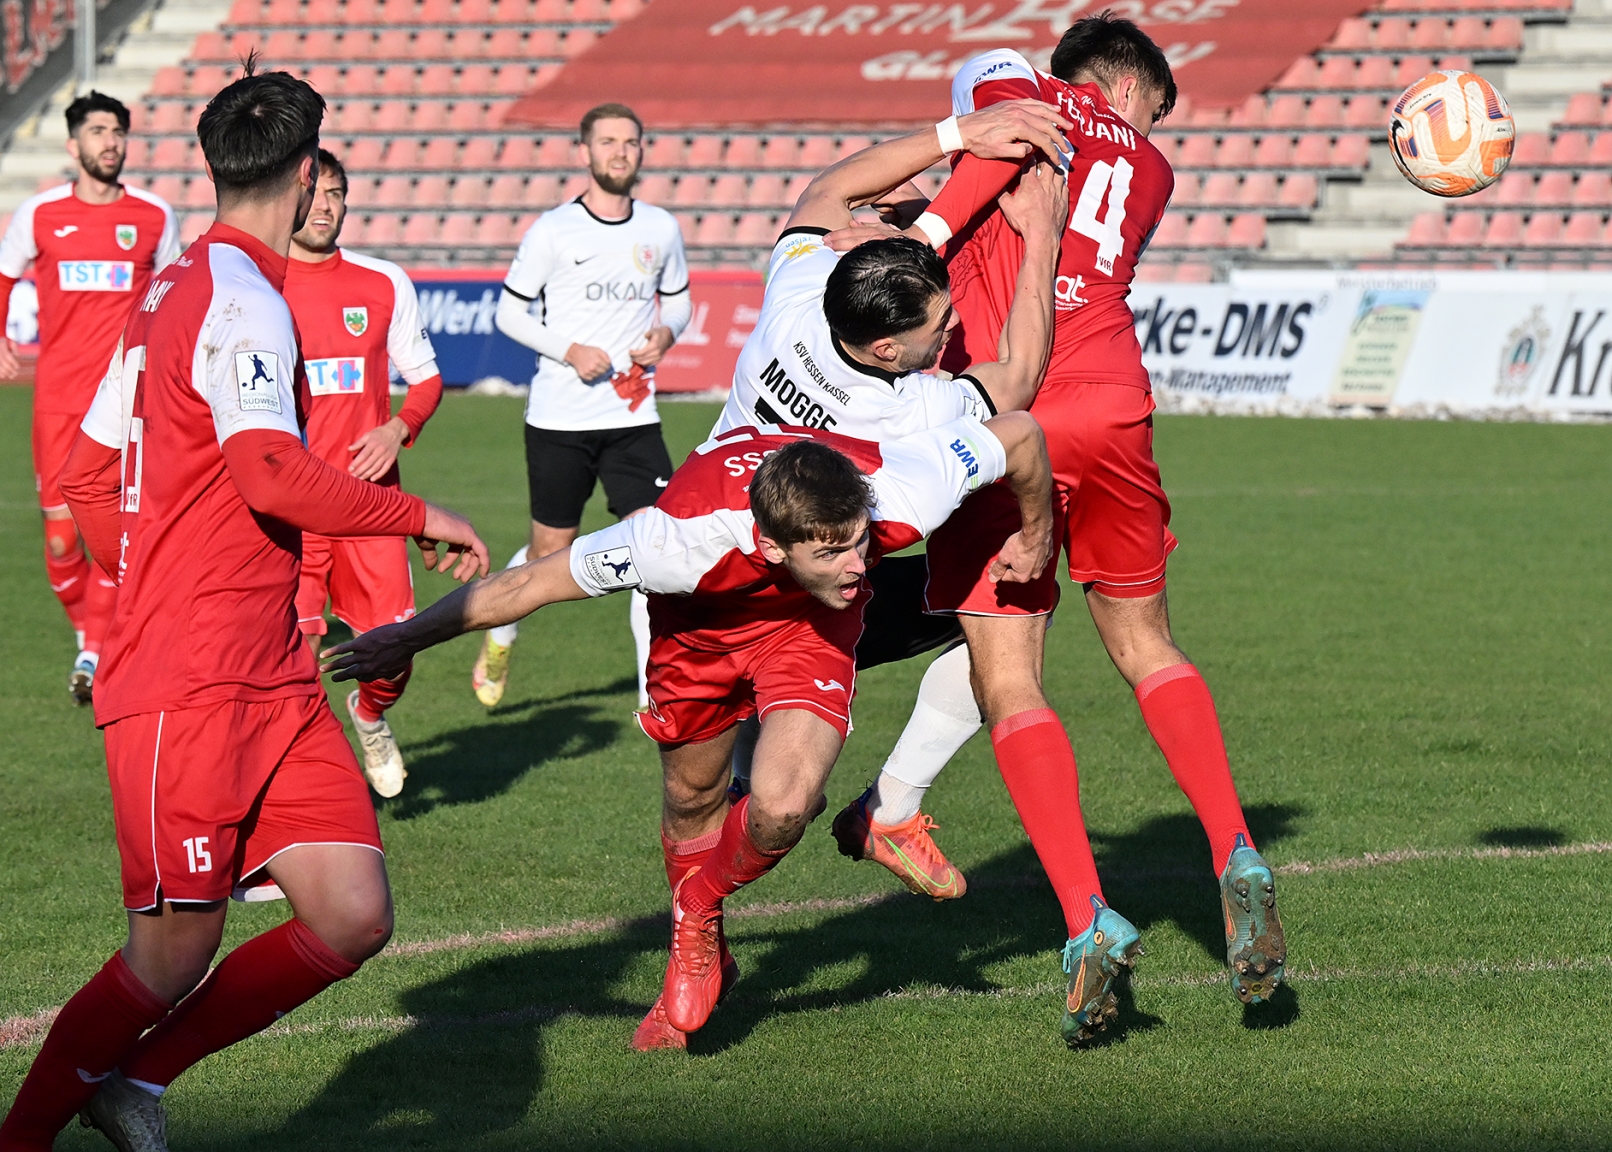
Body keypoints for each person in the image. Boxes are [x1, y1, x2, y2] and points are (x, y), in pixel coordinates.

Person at [0, 64, 491, 1152]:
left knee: (350, 912)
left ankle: (138, 1084)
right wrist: (418, 510)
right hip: (190, 681)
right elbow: (267, 471)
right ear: (305, 176)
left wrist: (148, 566)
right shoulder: (242, 299)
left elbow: (90, 470)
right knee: (171, 951)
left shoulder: (170, 287)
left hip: (274, 674)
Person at [330, 412, 1052, 1050]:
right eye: (833, 553)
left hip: (808, 631)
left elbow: (1021, 434)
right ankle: (704, 944)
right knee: (692, 799)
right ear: (772, 546)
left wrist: (1037, 531)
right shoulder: (671, 541)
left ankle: (695, 913)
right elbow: (527, 583)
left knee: (782, 807)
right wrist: (403, 639)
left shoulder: (900, 491)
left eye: (862, 543)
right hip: (697, 641)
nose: (860, 565)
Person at [837, 16, 1287, 1018]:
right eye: (1155, 106)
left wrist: (921, 234)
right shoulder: (1152, 169)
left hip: (1009, 405)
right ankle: (1235, 845)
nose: (1153, 126)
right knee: (1148, 644)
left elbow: (983, 150)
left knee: (1009, 676)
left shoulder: (1023, 100)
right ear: (1126, 87)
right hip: (1115, 396)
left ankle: (1087, 915)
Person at [708, 106, 1066, 905]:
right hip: (804, 608)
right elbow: (1019, 377)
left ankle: (750, 771)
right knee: (1007, 613)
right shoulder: (909, 413)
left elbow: (827, 190)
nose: (953, 327)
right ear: (884, 349)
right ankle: (888, 807)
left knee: (743, 798)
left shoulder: (798, 298)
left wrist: (959, 137)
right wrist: (1041, 237)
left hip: (715, 578)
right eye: (937, 325)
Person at [480, 101, 692, 712]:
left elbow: (678, 302)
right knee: (549, 553)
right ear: (585, 152)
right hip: (560, 419)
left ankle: (653, 694)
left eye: (630, 141)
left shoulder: (660, 228)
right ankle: (500, 636)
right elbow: (509, 313)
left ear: (642, 151)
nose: (620, 152)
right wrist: (569, 350)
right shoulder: (553, 231)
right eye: (607, 142)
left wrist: (667, 333)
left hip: (633, 418)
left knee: (655, 548)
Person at [0, 91, 181, 704]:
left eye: (118, 131)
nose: (111, 142)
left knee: (116, 533)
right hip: (60, 402)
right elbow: (0, 280)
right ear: (74, 146)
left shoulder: (154, 216)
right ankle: (87, 634)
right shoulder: (40, 214)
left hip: (131, 406)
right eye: (98, 131)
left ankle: (95, 654)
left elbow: (175, 295)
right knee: (61, 542)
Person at [284, 146, 444, 798]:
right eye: (316, 193)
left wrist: (396, 428)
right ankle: (308, 789)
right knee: (291, 660)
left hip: (368, 504)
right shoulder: (260, 283)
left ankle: (370, 715)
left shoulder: (382, 282)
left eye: (337, 194)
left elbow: (425, 380)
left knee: (393, 652)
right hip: (290, 507)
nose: (326, 206)